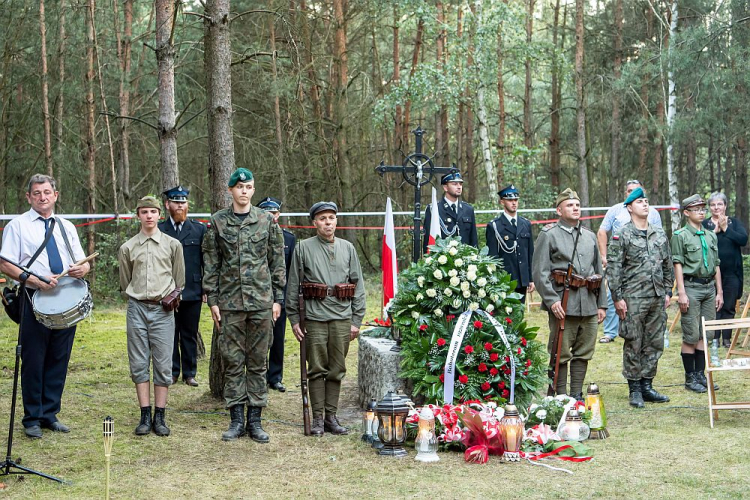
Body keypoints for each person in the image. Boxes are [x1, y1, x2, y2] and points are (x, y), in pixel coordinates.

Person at [0, 174, 90, 439]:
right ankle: (32, 418)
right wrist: (33, 280)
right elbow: (5, 264)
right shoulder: (18, 226)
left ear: (55, 195)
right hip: (32, 297)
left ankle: (50, 413)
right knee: (34, 359)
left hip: (66, 298)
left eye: (47, 192)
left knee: (58, 358)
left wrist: (82, 269)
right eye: (37, 193)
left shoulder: (66, 226)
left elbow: (83, 261)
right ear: (29, 197)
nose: (43, 197)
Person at [202, 168, 286, 443]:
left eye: (249, 187)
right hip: (229, 303)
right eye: (239, 187)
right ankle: (236, 419)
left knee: (258, 361)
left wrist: (278, 299)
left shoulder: (266, 221)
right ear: (230, 190)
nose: (244, 192)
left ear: (253, 190)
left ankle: (256, 420)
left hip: (261, 302)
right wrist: (212, 300)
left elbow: (276, 261)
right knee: (233, 361)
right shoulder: (218, 222)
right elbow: (211, 264)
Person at [286, 201, 366, 437]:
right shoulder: (303, 248)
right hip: (315, 317)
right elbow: (293, 285)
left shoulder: (348, 248)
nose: (327, 222)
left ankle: (332, 416)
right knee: (317, 368)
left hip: (342, 317)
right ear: (314, 223)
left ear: (336, 221)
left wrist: (356, 320)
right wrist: (294, 319)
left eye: (331, 217)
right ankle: (318, 418)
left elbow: (358, 285)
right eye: (322, 218)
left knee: (337, 368)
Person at [531, 188, 607, 399]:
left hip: (589, 303)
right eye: (570, 205)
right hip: (564, 303)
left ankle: (576, 395)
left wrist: (602, 304)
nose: (575, 208)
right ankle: (560, 396)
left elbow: (599, 273)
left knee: (584, 351)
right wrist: (552, 300)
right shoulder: (549, 235)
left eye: (577, 205)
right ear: (559, 210)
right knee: (560, 353)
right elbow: (540, 272)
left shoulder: (590, 236)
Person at [119, 196, 185, 436]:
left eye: (153, 211)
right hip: (137, 308)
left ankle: (160, 415)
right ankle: (144, 414)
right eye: (144, 211)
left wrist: (169, 298)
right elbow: (125, 281)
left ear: (160, 214)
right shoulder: (128, 247)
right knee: (138, 362)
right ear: (138, 215)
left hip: (162, 310)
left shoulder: (172, 245)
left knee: (163, 363)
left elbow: (180, 280)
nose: (149, 216)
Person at [605, 188, 673, 408]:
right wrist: (617, 297)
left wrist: (668, 290)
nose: (645, 204)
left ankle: (647, 385)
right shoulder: (622, 234)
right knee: (634, 342)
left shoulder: (659, 233)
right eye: (639, 202)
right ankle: (634, 388)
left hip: (656, 297)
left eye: (646, 201)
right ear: (629, 207)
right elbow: (614, 267)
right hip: (632, 298)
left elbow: (667, 264)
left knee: (654, 343)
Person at [597, 180, 663, 343]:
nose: (632, 192)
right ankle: (610, 332)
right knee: (615, 294)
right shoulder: (616, 210)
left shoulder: (652, 212)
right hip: (621, 261)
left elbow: (659, 238)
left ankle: (651, 333)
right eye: (629, 190)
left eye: (637, 190)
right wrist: (604, 256)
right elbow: (602, 231)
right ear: (625, 193)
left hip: (645, 266)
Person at [671, 194, 723, 393]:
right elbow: (678, 263)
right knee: (691, 334)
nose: (701, 212)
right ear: (686, 213)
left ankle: (700, 375)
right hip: (691, 287)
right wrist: (681, 292)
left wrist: (719, 291)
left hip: (709, 288)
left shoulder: (710, 235)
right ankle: (690, 377)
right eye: (697, 209)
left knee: (706, 333)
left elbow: (716, 264)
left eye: (703, 209)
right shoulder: (680, 235)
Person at [158, 186, 206, 387]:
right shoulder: (160, 230)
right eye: (176, 202)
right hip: (166, 290)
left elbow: (206, 261)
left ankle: (189, 373)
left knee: (189, 333)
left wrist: (206, 288)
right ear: (167, 205)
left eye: (183, 202)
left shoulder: (199, 229)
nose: (180, 206)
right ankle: (172, 372)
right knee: (170, 333)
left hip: (192, 290)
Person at [257, 196, 296, 393]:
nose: (271, 216)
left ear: (278, 214)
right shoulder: (254, 236)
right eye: (267, 212)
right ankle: (258, 376)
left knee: (278, 337)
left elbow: (291, 270)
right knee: (257, 338)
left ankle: (275, 376)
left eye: (274, 212)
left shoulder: (289, 238)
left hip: (279, 296)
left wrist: (285, 297)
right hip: (257, 296)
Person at [703, 192, 748, 347]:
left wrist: (726, 229)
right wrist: (715, 231)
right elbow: (701, 242)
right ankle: (714, 338)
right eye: (713, 205)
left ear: (725, 206)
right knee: (714, 306)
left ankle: (726, 339)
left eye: (720, 204)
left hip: (732, 273)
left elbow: (743, 240)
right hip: (711, 273)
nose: (716, 208)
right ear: (709, 207)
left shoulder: (734, 223)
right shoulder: (705, 225)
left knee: (729, 306)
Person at [486, 184, 535, 303]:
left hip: (522, 278)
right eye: (510, 200)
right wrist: (495, 280)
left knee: (519, 314)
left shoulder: (525, 224)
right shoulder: (495, 226)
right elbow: (493, 256)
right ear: (502, 202)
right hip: (505, 279)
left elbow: (530, 254)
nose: (514, 203)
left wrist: (531, 278)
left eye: (516, 200)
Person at [423, 172, 478, 253]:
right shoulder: (434, 209)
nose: (459, 187)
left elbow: (473, 240)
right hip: (442, 260)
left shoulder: (468, 209)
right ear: (445, 187)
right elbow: (428, 240)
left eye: (460, 184)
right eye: (454, 184)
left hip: (466, 260)